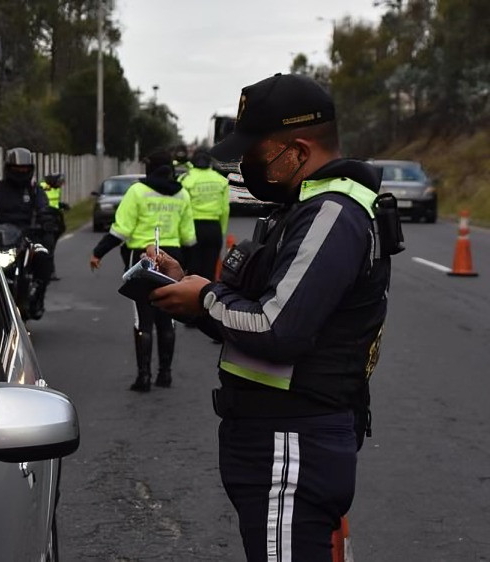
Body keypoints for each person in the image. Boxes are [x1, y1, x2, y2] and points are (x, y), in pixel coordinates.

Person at [149, 73, 400, 561]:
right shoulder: (299, 209)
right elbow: (256, 309)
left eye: (256, 152)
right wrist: (190, 284)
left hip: (294, 444)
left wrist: (203, 300)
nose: (246, 164)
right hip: (276, 439)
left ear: (298, 150)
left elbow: (276, 327)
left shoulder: (332, 213)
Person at [89, 150, 196, 392]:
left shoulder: (137, 191)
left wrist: (98, 252)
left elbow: (121, 230)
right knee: (167, 318)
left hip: (142, 260)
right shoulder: (182, 193)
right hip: (173, 259)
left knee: (143, 319)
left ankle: (144, 377)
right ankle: (165, 375)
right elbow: (189, 237)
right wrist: (187, 267)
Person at [0, 147, 52, 319]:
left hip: (29, 236)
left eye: (24, 169)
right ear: (8, 168)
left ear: (30, 169)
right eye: (17, 169)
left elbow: (44, 208)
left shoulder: (35, 190)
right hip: (2, 237)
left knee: (44, 257)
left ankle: (37, 298)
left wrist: (47, 220)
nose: (21, 172)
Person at [178, 148, 230, 281]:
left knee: (192, 270)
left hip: (193, 228)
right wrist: (221, 231)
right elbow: (225, 210)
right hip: (214, 228)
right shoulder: (221, 180)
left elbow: (181, 208)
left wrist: (181, 234)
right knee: (209, 271)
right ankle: (207, 299)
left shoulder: (185, 180)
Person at [39, 173, 70, 280]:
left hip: (55, 219)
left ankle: (49, 271)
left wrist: (62, 205)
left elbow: (54, 202)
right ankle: (48, 272)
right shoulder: (42, 187)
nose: (61, 185)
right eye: (60, 183)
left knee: (50, 248)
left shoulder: (56, 189)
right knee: (48, 247)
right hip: (43, 220)